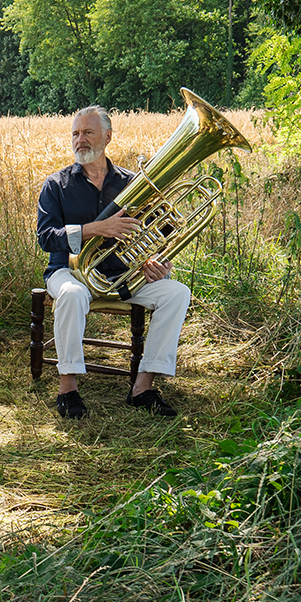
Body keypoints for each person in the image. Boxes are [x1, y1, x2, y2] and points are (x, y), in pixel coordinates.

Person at [36, 105, 191, 419]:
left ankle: (143, 387)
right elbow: (46, 237)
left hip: (123, 277)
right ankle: (68, 389)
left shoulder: (133, 183)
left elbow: (160, 230)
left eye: (88, 132)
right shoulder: (56, 184)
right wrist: (94, 229)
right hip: (68, 272)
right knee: (72, 294)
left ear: (107, 136)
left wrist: (157, 262)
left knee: (176, 293)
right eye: (76, 133)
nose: (80, 139)